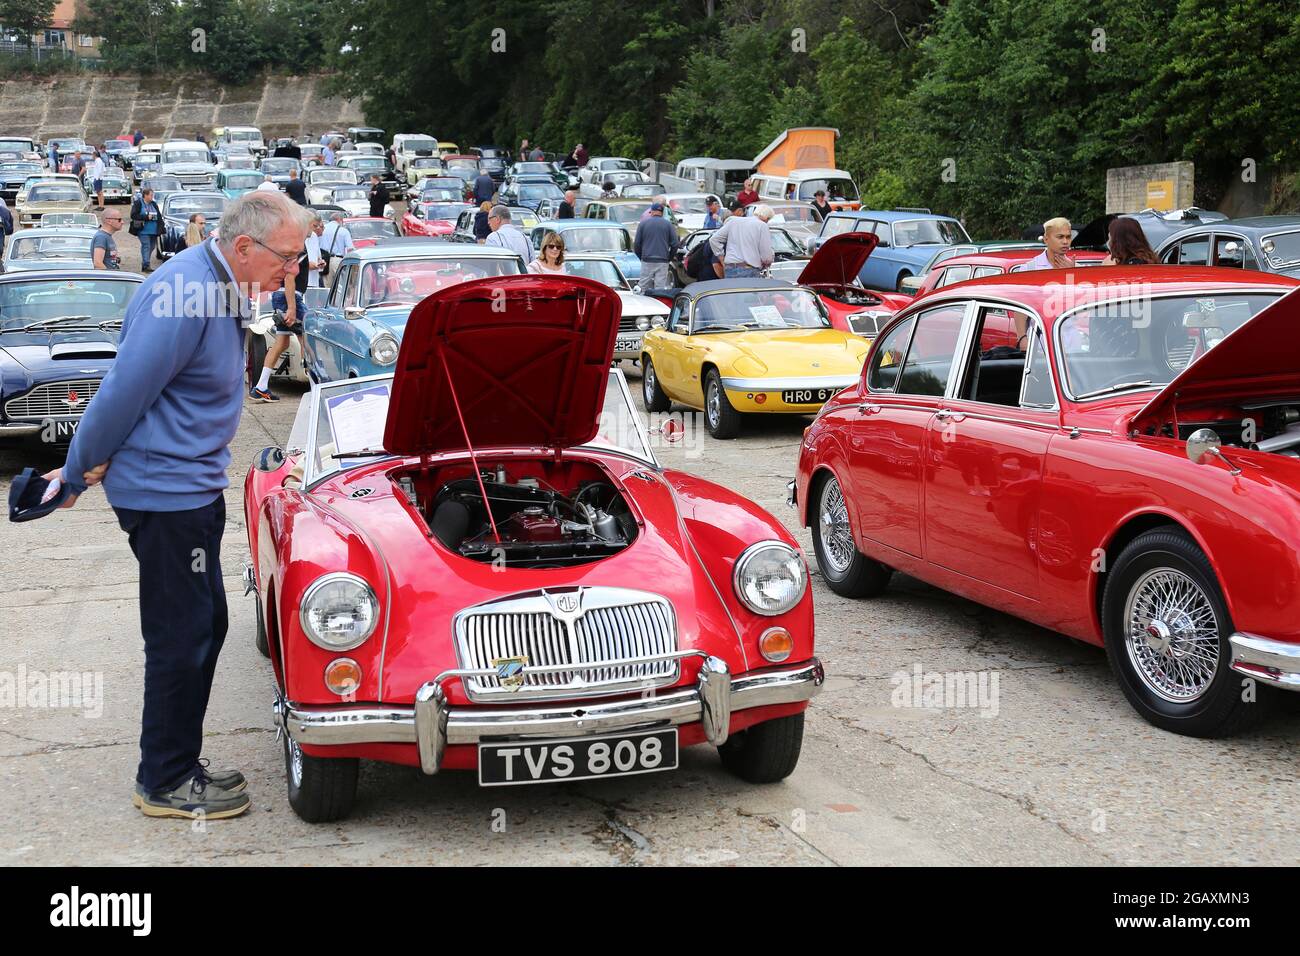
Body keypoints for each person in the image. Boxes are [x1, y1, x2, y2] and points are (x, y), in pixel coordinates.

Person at [46, 190, 311, 820]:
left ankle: (176, 763)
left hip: (187, 490)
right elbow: (123, 388)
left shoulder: (219, 285)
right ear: (244, 247)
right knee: (182, 635)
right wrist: (81, 466)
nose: (293, 271)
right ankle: (163, 779)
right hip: (165, 496)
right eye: (288, 257)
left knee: (206, 625)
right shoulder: (184, 291)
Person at [250, 282, 307, 403]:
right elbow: (290, 276)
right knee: (308, 337)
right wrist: (292, 307)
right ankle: (314, 386)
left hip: (281, 295)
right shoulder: (296, 262)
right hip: (291, 296)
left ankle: (261, 386)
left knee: (281, 343)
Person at [709, 203, 774, 277]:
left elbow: (714, 239)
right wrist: (767, 262)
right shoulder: (762, 225)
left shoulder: (734, 222)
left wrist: (721, 257)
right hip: (750, 269)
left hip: (730, 268)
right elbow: (766, 256)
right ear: (767, 218)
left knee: (732, 289)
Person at [634, 203, 678, 289]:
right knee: (660, 288)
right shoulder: (668, 225)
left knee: (643, 286)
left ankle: (643, 302)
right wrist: (669, 257)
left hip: (647, 259)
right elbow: (675, 244)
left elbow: (637, 244)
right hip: (662, 260)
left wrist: (641, 257)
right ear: (662, 213)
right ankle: (658, 301)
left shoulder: (643, 224)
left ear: (652, 212)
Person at [129, 186, 161, 273]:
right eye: (150, 195)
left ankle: (145, 262)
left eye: (152, 195)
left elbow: (159, 216)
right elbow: (133, 215)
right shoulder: (138, 203)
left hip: (153, 230)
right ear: (145, 195)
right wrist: (146, 217)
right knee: (146, 246)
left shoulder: (154, 204)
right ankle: (146, 265)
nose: (152, 197)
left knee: (152, 246)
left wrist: (161, 227)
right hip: (143, 230)